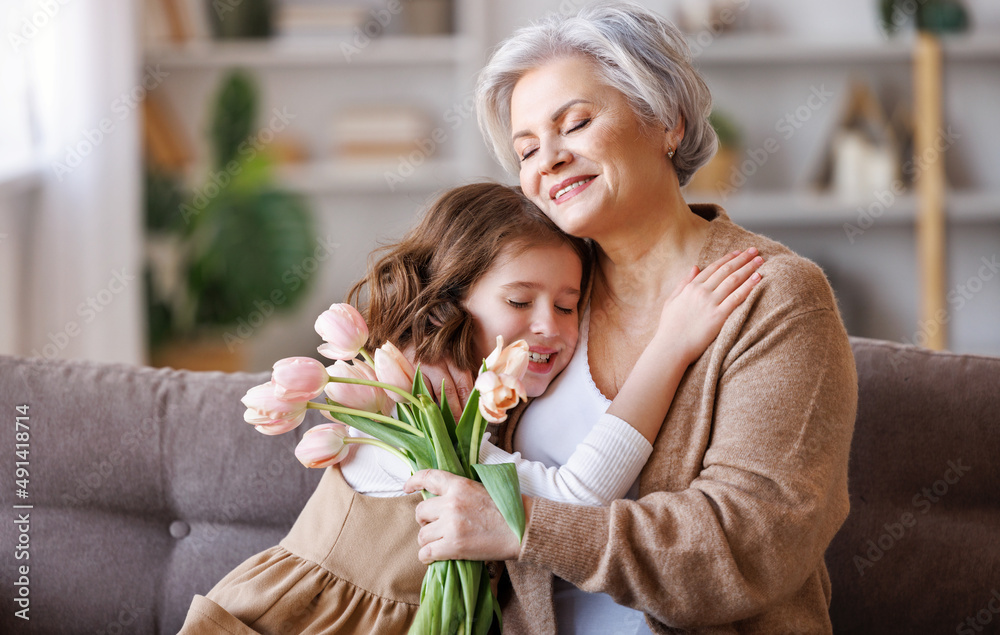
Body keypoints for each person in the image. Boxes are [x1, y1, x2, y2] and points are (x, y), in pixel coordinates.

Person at [403, 3, 859, 634]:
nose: (548, 160)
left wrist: (523, 525)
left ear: (666, 122)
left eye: (577, 123)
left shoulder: (776, 298)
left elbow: (750, 544)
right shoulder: (542, 300)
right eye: (526, 148)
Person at [179, 182, 762, 634]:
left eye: (568, 305)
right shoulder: (412, 400)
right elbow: (578, 499)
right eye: (519, 300)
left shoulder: (486, 401)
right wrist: (670, 346)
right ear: (450, 298)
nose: (549, 328)